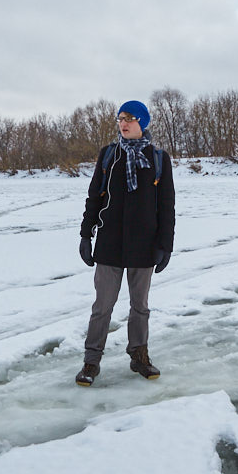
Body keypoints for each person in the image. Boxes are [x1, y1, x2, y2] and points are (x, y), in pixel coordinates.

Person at [76, 100, 175, 386]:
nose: (123, 123)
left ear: (143, 122)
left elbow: (166, 205)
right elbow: (94, 197)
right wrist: (85, 234)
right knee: (102, 307)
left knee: (140, 307)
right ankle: (91, 361)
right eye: (120, 118)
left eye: (130, 118)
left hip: (144, 246)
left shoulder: (158, 158)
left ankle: (139, 355)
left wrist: (165, 244)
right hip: (109, 245)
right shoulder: (109, 155)